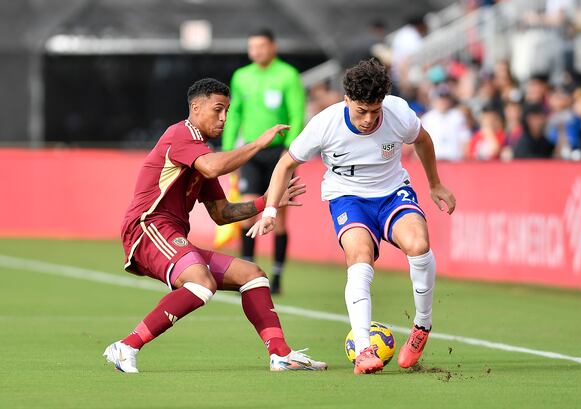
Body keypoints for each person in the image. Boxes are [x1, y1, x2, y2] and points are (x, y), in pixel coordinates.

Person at [103, 78, 326, 373]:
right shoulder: (179, 135)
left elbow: (222, 213)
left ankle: (280, 353)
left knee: (253, 275)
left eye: (227, 111)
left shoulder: (201, 152)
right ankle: (126, 346)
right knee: (201, 282)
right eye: (217, 109)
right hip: (147, 227)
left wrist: (268, 201)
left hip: (170, 233)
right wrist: (258, 142)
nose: (223, 118)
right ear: (196, 107)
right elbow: (213, 167)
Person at [247, 59, 456, 374]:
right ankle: (363, 350)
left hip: (391, 193)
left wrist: (435, 183)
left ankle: (421, 327)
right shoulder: (325, 124)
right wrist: (271, 210)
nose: (370, 119)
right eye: (362, 111)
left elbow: (422, 140)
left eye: (375, 110)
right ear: (346, 100)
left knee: (419, 244)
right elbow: (285, 164)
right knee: (359, 257)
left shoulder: (398, 113)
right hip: (348, 198)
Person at [221, 28, 305, 294]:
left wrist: (291, 151)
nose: (255, 51)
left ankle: (278, 275)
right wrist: (227, 153)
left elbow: (297, 114)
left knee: (278, 216)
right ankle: (247, 273)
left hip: (279, 154)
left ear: (273, 47)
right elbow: (234, 116)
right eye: (252, 46)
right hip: (250, 153)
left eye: (260, 46)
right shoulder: (241, 76)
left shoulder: (287, 75)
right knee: (247, 212)